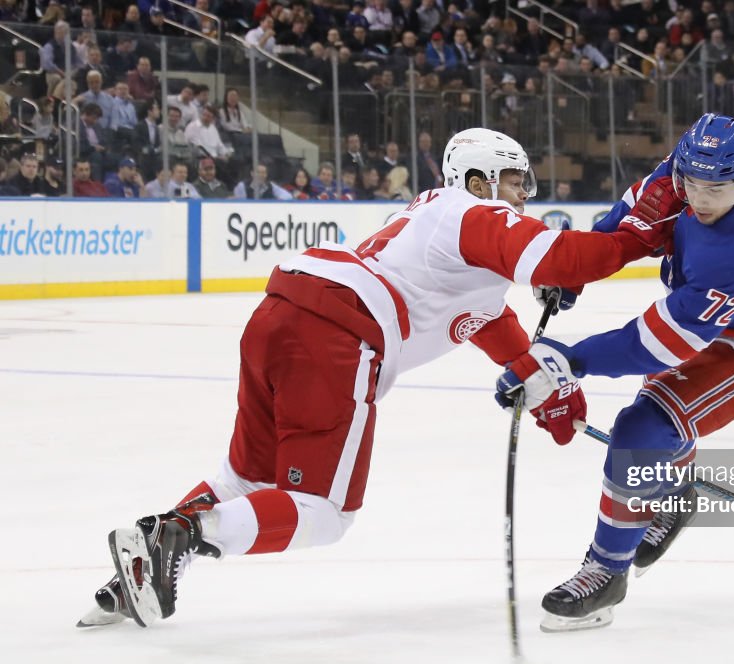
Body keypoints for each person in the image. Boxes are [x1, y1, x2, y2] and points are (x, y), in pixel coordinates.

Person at [77, 128, 681, 628]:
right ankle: (182, 534)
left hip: (280, 316)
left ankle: (131, 576)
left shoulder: (433, 225)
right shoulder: (466, 212)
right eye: (516, 181)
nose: (524, 195)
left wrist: (546, 387)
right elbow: (564, 259)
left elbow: (491, 323)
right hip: (336, 338)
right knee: (323, 511)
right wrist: (645, 234)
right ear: (479, 181)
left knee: (245, 478)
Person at [513, 114, 734, 632]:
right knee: (654, 432)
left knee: (643, 429)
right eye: (691, 183)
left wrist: (569, 359)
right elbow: (635, 217)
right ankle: (673, 493)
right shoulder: (695, 166)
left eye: (715, 189)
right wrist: (574, 270)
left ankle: (607, 573)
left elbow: (655, 345)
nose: (699, 198)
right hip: (721, 320)